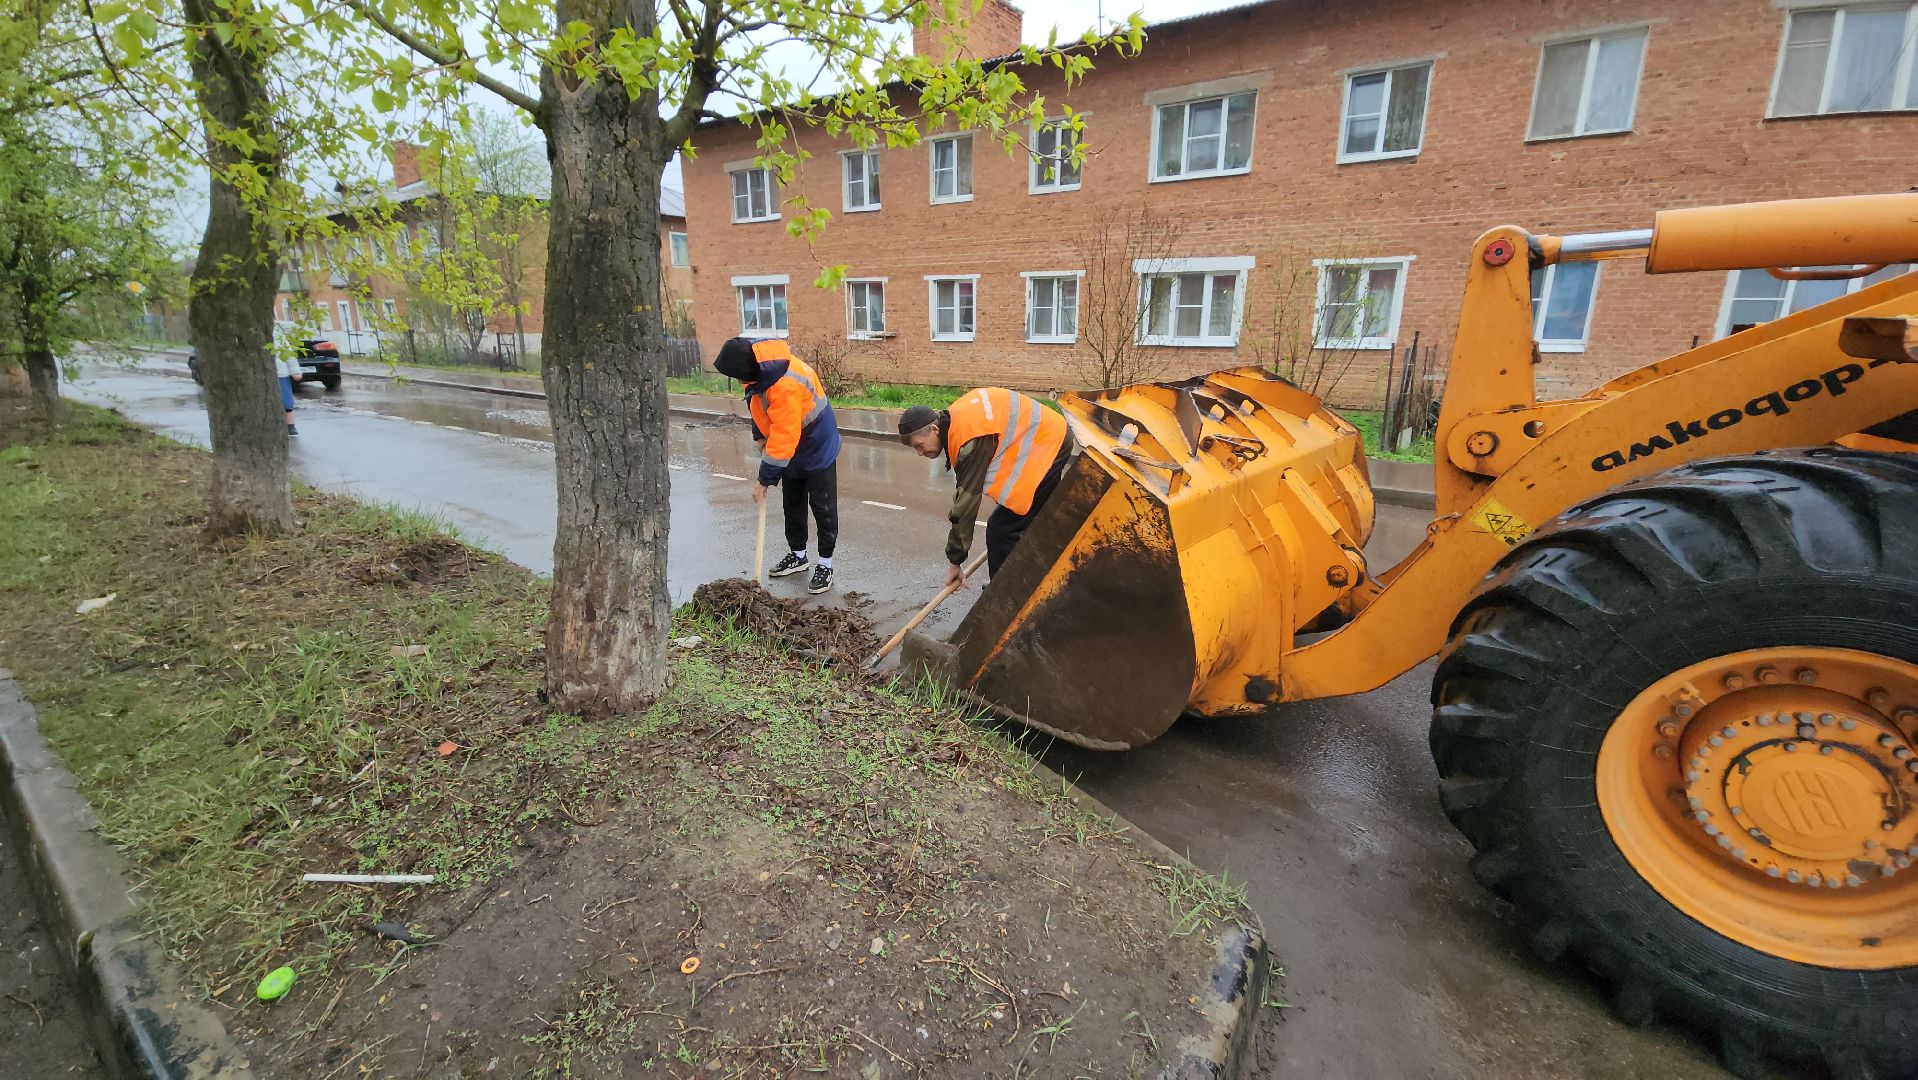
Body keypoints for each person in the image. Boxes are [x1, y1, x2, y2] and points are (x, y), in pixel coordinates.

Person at [898, 388, 1075, 589]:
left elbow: (965, 505)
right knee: (1033, 520)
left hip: (1048, 443)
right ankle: (1033, 580)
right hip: (1050, 436)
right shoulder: (958, 421)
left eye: (919, 445)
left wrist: (955, 561)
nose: (919, 453)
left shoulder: (967, 439)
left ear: (934, 430)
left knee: (1001, 529)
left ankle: (1004, 595)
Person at [713, 337, 842, 594]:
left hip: (817, 442)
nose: (737, 381)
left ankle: (825, 564)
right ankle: (798, 555)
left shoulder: (784, 384)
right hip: (790, 443)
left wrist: (764, 480)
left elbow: (784, 435)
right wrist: (759, 437)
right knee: (792, 503)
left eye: (736, 376)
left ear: (745, 369)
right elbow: (758, 407)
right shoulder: (757, 374)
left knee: (823, 506)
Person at [277, 351, 301, 436]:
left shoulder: (281, 342)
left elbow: (290, 356)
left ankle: (290, 425)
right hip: (263, 375)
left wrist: (295, 371)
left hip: (281, 374)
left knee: (286, 400)